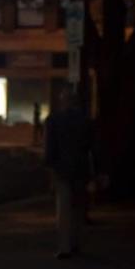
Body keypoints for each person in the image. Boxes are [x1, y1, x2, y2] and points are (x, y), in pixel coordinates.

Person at [44, 87, 93, 259]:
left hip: (62, 168)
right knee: (78, 208)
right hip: (81, 168)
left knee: (63, 209)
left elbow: (50, 148)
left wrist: (49, 169)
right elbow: (93, 147)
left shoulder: (54, 120)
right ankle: (76, 242)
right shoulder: (85, 120)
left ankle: (65, 247)